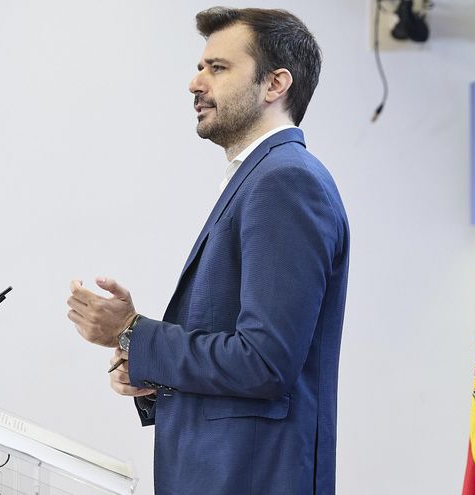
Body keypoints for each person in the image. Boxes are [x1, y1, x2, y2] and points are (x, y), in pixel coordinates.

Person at [67, 7, 349, 494]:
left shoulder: (285, 182)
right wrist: (145, 362)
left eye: (217, 68)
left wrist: (135, 332)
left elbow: (264, 362)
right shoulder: (262, 177)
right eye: (201, 67)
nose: (195, 83)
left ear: (275, 84)